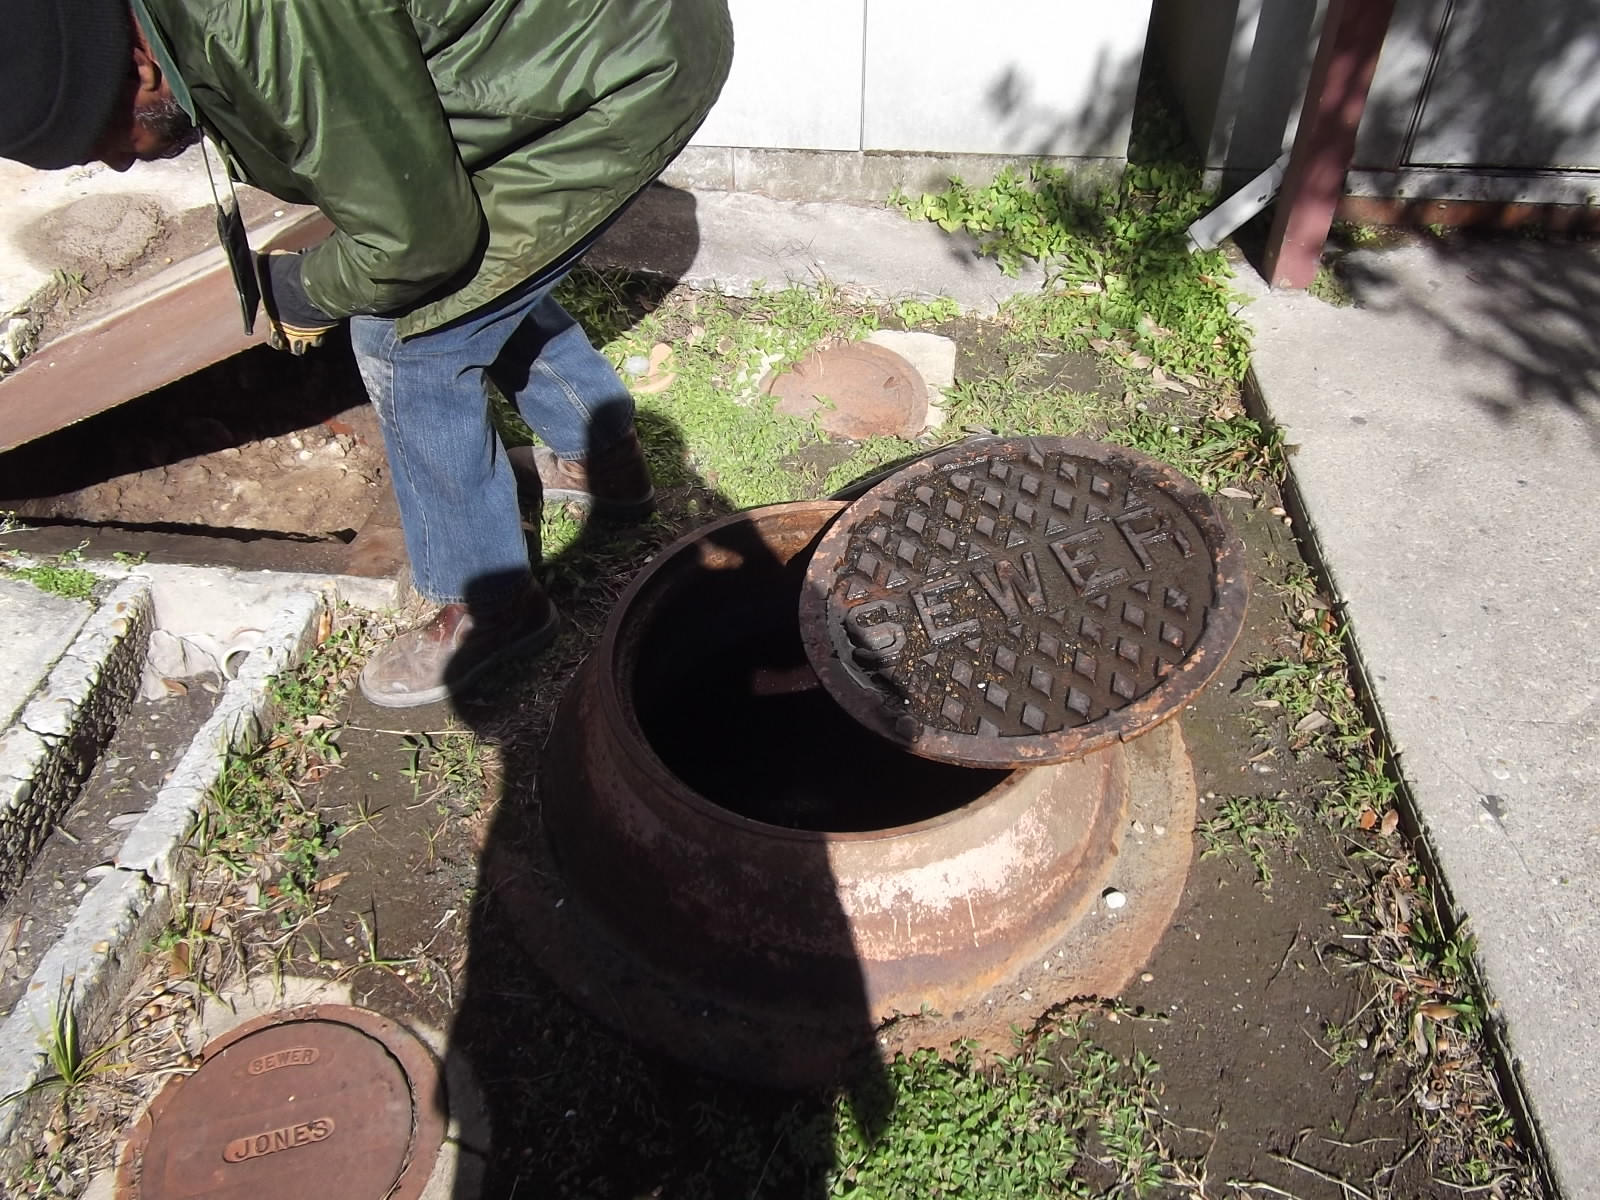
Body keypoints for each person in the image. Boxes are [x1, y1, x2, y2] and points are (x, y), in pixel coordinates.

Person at [0, 0, 732, 707]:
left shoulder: (265, 23)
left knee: (408, 340)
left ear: (141, 68)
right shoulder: (206, 26)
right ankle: (601, 460)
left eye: (106, 142)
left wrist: (303, 290)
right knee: (484, 280)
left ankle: (491, 606)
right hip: (560, 50)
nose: (119, 166)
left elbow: (419, 242)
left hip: (622, 64)